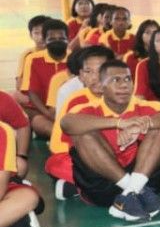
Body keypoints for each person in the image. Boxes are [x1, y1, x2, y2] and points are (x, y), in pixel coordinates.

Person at [60, 59, 160, 222]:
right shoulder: (85, 110)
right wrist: (119, 123)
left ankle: (128, 197)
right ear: (101, 86)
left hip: (145, 179)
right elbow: (66, 123)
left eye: (127, 79)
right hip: (104, 186)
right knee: (83, 133)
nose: (124, 85)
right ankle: (134, 191)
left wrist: (140, 126)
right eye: (115, 80)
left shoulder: (144, 106)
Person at [45, 46, 115, 197]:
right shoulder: (75, 100)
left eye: (102, 70)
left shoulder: (122, 95)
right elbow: (58, 148)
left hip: (115, 156)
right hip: (80, 158)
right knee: (54, 164)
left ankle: (80, 186)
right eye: (89, 72)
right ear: (81, 76)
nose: (96, 77)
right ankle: (129, 183)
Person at [21, 18, 70, 138]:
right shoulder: (33, 59)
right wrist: (48, 114)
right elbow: (32, 92)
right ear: (45, 40)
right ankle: (63, 139)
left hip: (68, 110)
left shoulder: (75, 58)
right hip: (41, 111)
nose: (57, 42)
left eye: (61, 38)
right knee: (39, 123)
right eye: (52, 39)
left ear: (67, 39)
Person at [0, 120, 42, 227]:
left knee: (29, 197)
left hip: (5, 186)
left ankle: (13, 216)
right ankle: (14, 218)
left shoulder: (2, 131)